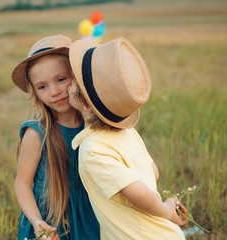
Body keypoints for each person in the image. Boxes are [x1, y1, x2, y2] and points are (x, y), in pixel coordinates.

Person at [67, 38, 188, 240]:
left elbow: (138, 192)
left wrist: (167, 210)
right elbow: (153, 172)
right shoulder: (128, 132)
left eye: (73, 81)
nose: (69, 81)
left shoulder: (93, 149)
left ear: (88, 106)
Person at [11, 35, 100, 240]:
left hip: (92, 217)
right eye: (42, 86)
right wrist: (37, 222)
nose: (54, 91)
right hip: (51, 222)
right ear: (34, 92)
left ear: (76, 77)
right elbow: (22, 184)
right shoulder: (36, 133)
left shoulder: (95, 123)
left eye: (61, 79)